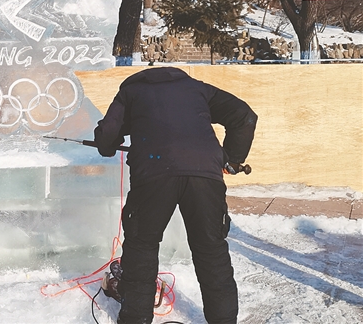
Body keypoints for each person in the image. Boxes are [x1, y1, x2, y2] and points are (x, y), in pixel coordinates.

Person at [93, 66, 256, 324]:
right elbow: (245, 116)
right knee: (212, 250)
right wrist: (233, 160)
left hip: (153, 175)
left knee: (141, 247)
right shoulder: (198, 89)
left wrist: (107, 142)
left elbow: (107, 137)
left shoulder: (131, 91)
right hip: (206, 175)